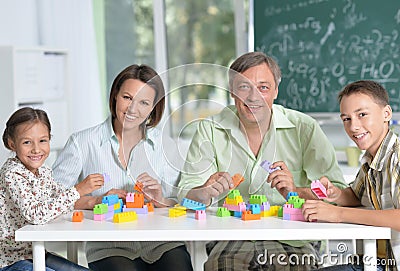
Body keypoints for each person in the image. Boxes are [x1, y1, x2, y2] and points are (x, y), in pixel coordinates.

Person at [178, 51, 347, 270]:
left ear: (276, 91)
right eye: (244, 87)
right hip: (233, 238)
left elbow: (339, 195)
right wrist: (204, 192)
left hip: (295, 238)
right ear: (232, 91)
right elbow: (185, 194)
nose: (253, 97)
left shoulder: (304, 128)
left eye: (263, 87)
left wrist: (295, 190)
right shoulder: (210, 130)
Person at [52, 64, 193, 271]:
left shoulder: (165, 145)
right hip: (109, 246)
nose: (133, 109)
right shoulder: (82, 143)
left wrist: (161, 199)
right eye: (127, 98)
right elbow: (51, 201)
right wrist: (95, 200)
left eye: (144, 102)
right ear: (115, 96)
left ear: (153, 108)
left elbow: (181, 201)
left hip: (161, 242)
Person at [302, 80, 399, 270]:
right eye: (346, 119)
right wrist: (335, 194)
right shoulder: (369, 162)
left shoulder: (396, 158)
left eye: (362, 115)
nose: (353, 127)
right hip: (374, 260)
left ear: (386, 114)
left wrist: (338, 214)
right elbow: (355, 196)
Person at [0, 107, 102, 271]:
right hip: (10, 260)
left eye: (42, 141)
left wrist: (96, 200)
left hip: (34, 253)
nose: (36, 149)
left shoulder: (44, 171)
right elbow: (36, 214)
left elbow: (61, 200)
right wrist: (78, 189)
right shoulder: (13, 174)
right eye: (27, 142)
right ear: (12, 144)